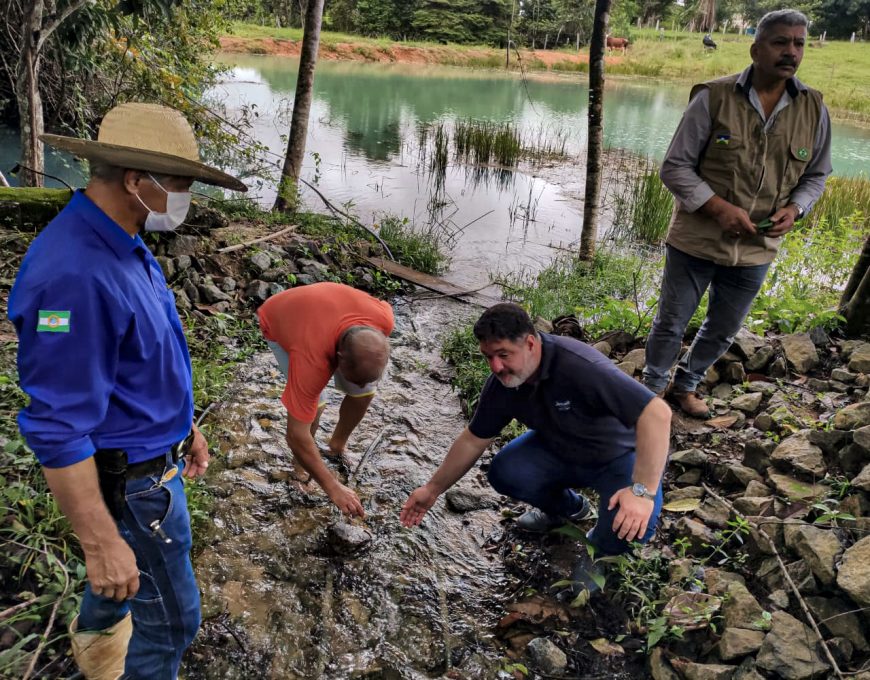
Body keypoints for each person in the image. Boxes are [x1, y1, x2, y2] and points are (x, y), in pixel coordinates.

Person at [9, 102, 247, 680]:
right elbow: (57, 426)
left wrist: (183, 425)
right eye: (182, 186)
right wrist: (98, 543)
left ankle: (98, 661)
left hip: (156, 464)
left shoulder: (123, 239)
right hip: (135, 490)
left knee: (125, 593)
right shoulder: (74, 276)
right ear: (138, 182)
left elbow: (141, 358)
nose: (187, 199)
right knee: (169, 623)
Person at [401, 304, 672, 591]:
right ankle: (569, 510)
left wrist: (642, 491)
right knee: (506, 472)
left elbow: (657, 414)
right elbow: (473, 439)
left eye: (503, 355)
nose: (495, 367)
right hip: (560, 449)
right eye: (488, 357)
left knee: (629, 528)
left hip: (619, 458)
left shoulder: (579, 366)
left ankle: (602, 551)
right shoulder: (502, 384)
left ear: (530, 343)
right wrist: (431, 490)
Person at [643, 9, 832, 418]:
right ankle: (651, 392)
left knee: (725, 328)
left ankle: (686, 385)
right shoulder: (713, 96)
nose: (791, 52)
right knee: (670, 324)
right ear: (755, 48)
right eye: (780, 42)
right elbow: (675, 167)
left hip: (757, 246)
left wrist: (796, 208)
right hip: (696, 239)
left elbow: (817, 174)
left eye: (798, 43)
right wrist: (718, 207)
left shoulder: (814, 107)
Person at [257, 282, 393, 518]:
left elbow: (363, 381)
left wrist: (361, 382)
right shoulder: (310, 358)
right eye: (355, 377)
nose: (360, 383)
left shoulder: (383, 320)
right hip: (279, 317)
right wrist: (333, 488)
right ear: (337, 360)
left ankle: (337, 445)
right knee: (313, 409)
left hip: (327, 313)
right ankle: (299, 470)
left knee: (363, 394)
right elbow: (295, 434)